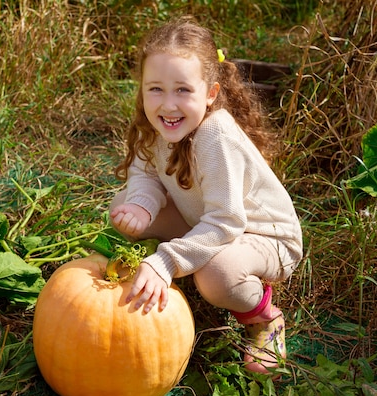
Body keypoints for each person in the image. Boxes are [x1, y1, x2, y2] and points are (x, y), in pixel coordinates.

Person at [109, 17, 303, 374]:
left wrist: (166, 260)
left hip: (264, 235)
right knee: (124, 205)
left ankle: (264, 319)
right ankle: (191, 254)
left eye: (183, 90)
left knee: (216, 275)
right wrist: (142, 203)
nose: (168, 104)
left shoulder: (215, 136)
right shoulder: (153, 125)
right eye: (155, 89)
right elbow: (144, 174)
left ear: (210, 93)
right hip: (207, 219)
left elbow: (227, 220)